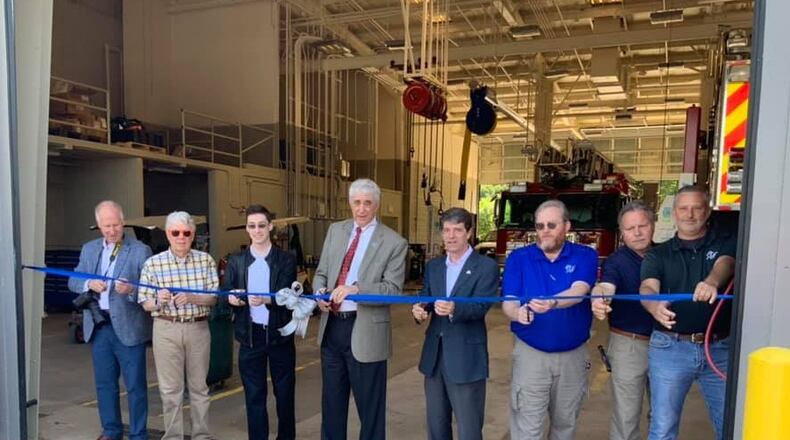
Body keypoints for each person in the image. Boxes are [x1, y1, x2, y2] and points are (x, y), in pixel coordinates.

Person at [313, 178, 408, 440]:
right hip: (332, 329)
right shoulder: (336, 231)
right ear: (350, 204)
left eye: (367, 203)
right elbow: (321, 273)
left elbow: (392, 290)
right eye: (357, 202)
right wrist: (319, 293)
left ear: (376, 205)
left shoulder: (394, 242)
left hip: (366, 331)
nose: (362, 208)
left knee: (371, 411)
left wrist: (357, 288)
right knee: (331, 407)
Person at [639, 186, 736, 440]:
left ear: (707, 212)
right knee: (662, 428)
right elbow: (648, 286)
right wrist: (654, 305)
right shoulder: (657, 253)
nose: (690, 214)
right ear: (675, 213)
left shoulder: (725, 242)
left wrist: (712, 282)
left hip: (719, 348)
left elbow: (725, 263)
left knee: (729, 424)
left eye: (697, 208)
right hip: (670, 348)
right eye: (683, 208)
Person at [501, 199, 598, 440]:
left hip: (572, 357)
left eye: (551, 225)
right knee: (528, 427)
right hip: (531, 356)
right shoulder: (518, 258)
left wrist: (552, 302)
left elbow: (579, 291)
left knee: (565, 426)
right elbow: (509, 302)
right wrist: (517, 313)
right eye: (540, 225)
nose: (544, 230)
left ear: (567, 226)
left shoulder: (585, 255)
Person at [67, 200, 152, 440]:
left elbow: (150, 289)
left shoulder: (139, 250)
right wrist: (88, 283)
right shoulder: (89, 249)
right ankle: (111, 431)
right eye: (106, 226)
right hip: (98, 325)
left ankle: (138, 434)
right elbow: (72, 281)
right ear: (98, 226)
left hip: (129, 327)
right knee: (105, 385)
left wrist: (131, 291)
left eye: (116, 225)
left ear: (123, 222)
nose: (112, 230)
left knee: (135, 386)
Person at [412, 208, 499, 440]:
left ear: (469, 233)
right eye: (447, 230)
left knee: (469, 428)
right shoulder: (434, 266)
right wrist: (420, 309)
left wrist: (455, 309)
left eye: (457, 230)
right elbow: (426, 296)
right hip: (434, 357)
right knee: (436, 425)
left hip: (466, 357)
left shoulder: (485, 267)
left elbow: (482, 306)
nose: (450, 236)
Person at [138, 211, 219, 440]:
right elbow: (145, 303)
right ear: (167, 234)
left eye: (186, 232)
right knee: (170, 390)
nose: (181, 237)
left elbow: (213, 297)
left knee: (199, 388)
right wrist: (158, 301)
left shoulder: (206, 261)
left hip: (198, 328)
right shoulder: (153, 264)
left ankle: (201, 435)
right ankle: (173, 436)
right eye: (176, 232)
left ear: (193, 235)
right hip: (166, 328)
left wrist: (192, 297)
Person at [223, 204, 298, 440]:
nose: (257, 231)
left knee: (284, 395)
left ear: (270, 227)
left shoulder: (286, 260)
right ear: (247, 229)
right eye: (252, 226)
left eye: (262, 226)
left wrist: (268, 299)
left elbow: (288, 297)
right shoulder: (236, 262)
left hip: (279, 337)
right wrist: (232, 300)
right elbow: (225, 295)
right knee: (254, 397)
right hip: (250, 338)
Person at [591, 201, 656, 440]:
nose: (637, 232)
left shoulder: (665, 255)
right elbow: (605, 286)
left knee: (664, 415)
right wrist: (598, 300)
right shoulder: (615, 262)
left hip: (668, 346)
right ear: (622, 233)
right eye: (630, 228)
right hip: (629, 345)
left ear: (653, 225)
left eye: (643, 225)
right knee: (626, 417)